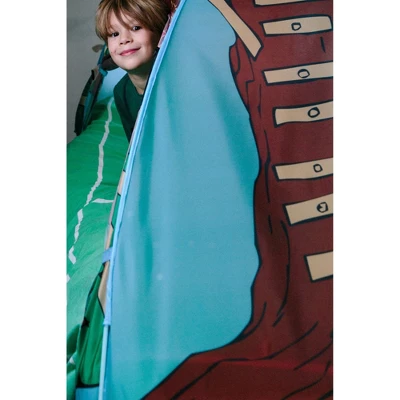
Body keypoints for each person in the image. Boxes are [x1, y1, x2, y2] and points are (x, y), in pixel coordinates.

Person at [95, 0, 177, 141]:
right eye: (114, 34)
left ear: (161, 33)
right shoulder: (121, 92)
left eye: (136, 28)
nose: (124, 39)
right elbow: (136, 146)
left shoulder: (180, 84)